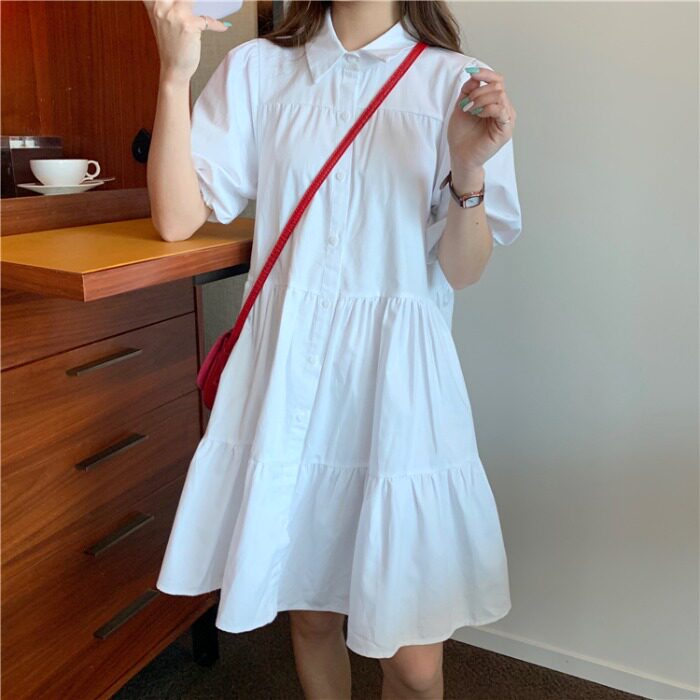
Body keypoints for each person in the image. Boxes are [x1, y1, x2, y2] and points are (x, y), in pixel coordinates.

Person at [145, 0, 521, 697]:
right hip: (290, 370)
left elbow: (463, 270)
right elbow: (177, 217)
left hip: (397, 380)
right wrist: (174, 76)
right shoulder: (258, 69)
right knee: (312, 612)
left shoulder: (456, 81)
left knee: (413, 662)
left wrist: (469, 168)